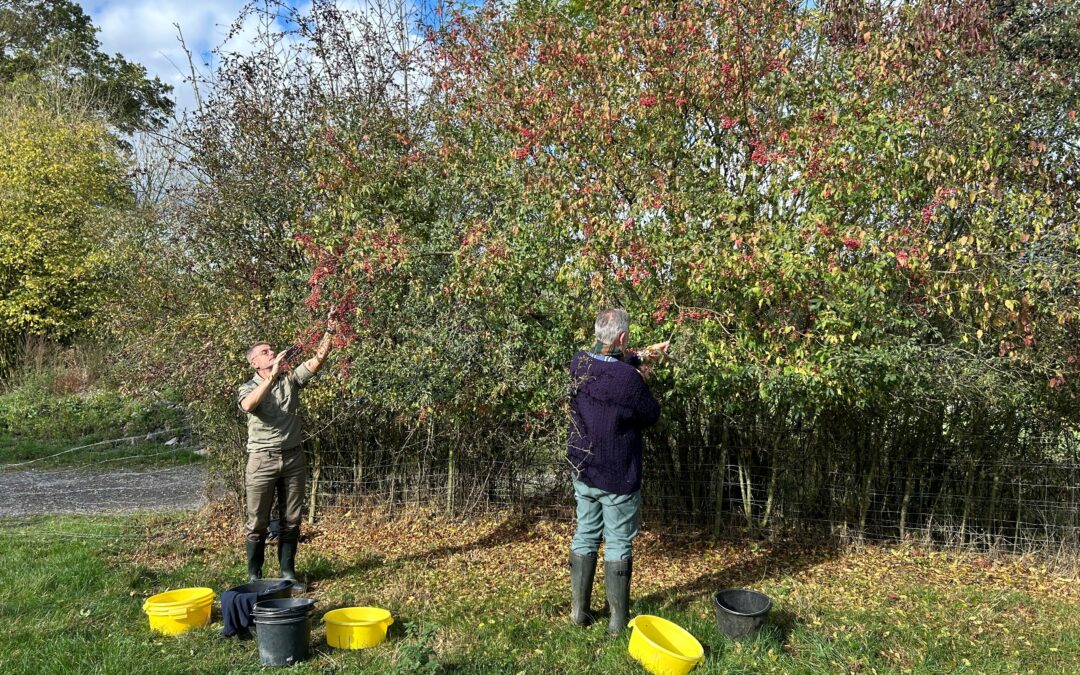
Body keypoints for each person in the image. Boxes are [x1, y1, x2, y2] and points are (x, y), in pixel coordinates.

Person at [567, 308, 667, 635]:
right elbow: (650, 414)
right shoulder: (629, 380)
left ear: (597, 333)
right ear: (622, 338)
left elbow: (607, 362)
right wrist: (643, 375)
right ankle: (616, 622)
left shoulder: (578, 363)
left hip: (584, 468)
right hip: (618, 474)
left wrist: (638, 356)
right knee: (619, 541)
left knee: (585, 533)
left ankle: (579, 613)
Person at [237, 316, 336, 587]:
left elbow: (317, 360)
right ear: (254, 363)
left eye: (272, 350)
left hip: (293, 457)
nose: (271, 353)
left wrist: (330, 329)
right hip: (261, 460)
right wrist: (271, 376)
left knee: (291, 520)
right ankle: (254, 575)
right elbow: (248, 405)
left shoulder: (290, 379)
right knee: (257, 522)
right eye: (264, 352)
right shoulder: (248, 387)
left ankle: (288, 574)